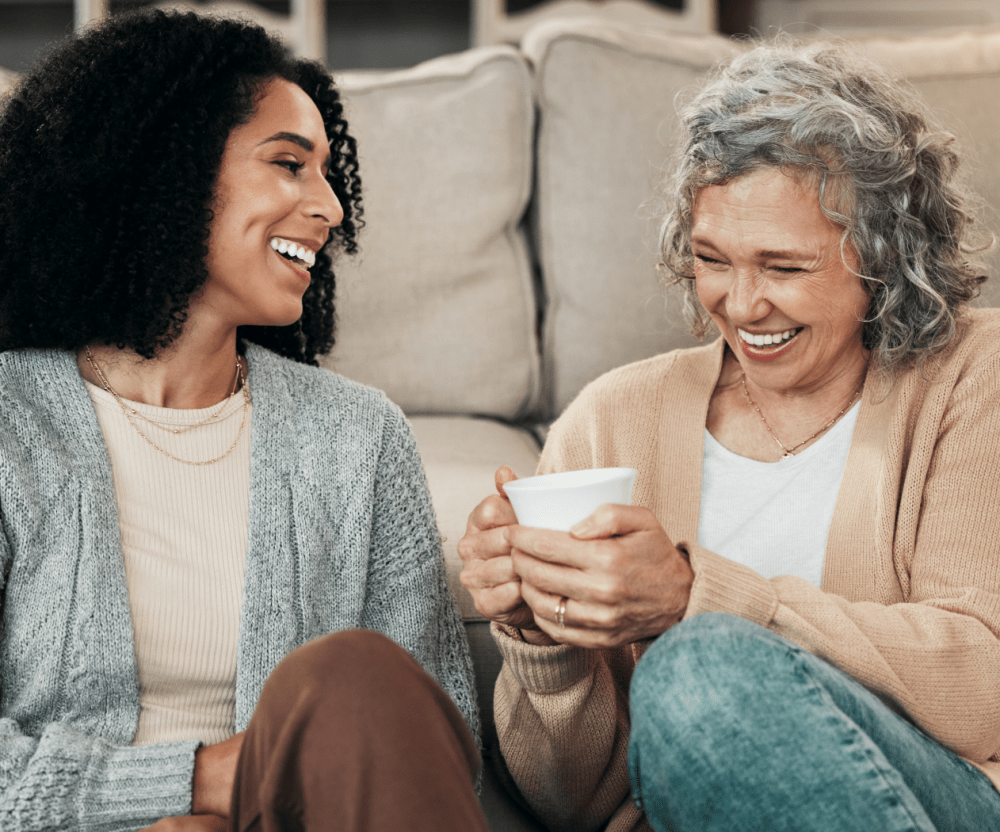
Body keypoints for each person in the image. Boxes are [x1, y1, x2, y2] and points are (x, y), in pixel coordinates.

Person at [459, 40, 1000, 832]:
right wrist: (543, 632)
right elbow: (572, 806)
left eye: (783, 269)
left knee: (698, 667)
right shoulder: (609, 421)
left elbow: (983, 688)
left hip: (941, 796)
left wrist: (692, 599)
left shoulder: (975, 375)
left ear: (885, 257)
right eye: (713, 260)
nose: (743, 305)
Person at [0, 11, 489, 832]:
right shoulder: (11, 424)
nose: (330, 209)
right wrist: (200, 783)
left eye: (328, 175)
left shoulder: (358, 437)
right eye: (289, 165)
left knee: (355, 676)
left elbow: (433, 744)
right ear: (168, 170)